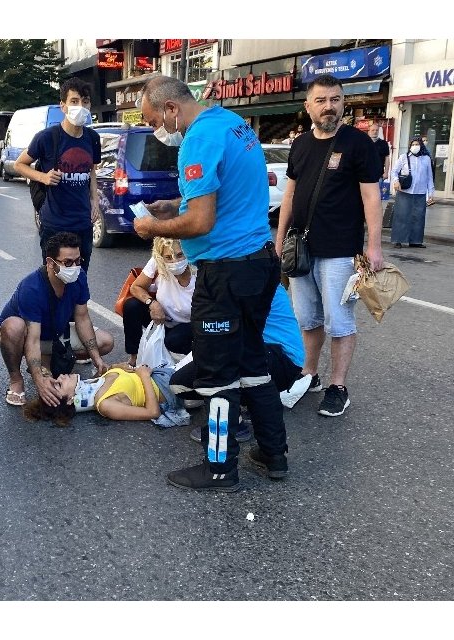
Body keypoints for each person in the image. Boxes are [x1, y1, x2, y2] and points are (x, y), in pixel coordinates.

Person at [133, 75, 287, 492]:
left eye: (153, 121)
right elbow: (224, 197)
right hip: (258, 263)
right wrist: (172, 205)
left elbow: (201, 222)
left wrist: (154, 225)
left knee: (218, 373)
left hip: (226, 272)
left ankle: (219, 469)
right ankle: (274, 454)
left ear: (170, 109)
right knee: (252, 361)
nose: (155, 130)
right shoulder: (232, 123)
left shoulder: (197, 141)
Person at [274, 74, 384, 419]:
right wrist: (279, 240)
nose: (328, 106)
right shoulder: (301, 144)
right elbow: (289, 195)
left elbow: (371, 197)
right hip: (302, 248)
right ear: (308, 107)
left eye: (335, 99)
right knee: (307, 319)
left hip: (340, 251)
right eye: (321, 100)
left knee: (340, 322)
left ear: (343, 103)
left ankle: (338, 387)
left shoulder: (358, 144)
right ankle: (310, 375)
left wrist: (375, 247)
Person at [173, 282, 313, 444]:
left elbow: (223, 332)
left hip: (280, 358)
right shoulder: (247, 275)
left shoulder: (248, 282)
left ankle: (233, 425)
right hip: (268, 355)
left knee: (214, 363)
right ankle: (253, 409)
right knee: (179, 383)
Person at [0, 232, 114, 408]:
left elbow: (82, 318)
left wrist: (97, 359)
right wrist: (39, 382)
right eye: (67, 262)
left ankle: (48, 360)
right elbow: (33, 339)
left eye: (78, 260)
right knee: (14, 326)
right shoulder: (32, 287)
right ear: (51, 263)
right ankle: (16, 380)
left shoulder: (79, 276)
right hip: (22, 337)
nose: (74, 267)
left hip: (54, 334)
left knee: (106, 342)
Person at [14, 78, 102, 270]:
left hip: (83, 223)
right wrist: (43, 177)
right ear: (63, 106)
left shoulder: (93, 138)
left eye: (85, 101)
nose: (80, 106)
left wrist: (94, 199)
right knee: (53, 280)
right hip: (54, 223)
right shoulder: (47, 137)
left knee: (79, 280)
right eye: (74, 101)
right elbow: (19, 165)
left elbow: (92, 170)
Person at [123, 237, 195, 365]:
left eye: (180, 255)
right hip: (163, 319)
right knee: (132, 306)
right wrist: (152, 303)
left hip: (192, 324)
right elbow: (135, 287)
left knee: (174, 341)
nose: (175, 262)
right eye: (168, 258)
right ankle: (134, 358)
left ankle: (195, 360)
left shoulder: (199, 268)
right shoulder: (157, 262)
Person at [23, 363, 164, 427]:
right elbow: (152, 412)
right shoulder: (105, 405)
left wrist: (116, 367)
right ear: (70, 400)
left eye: (56, 380)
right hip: (168, 388)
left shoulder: (96, 382)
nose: (60, 377)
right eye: (59, 384)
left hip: (162, 370)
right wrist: (144, 376)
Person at [389, 135, 435, 248]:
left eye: (417, 144)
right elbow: (394, 171)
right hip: (405, 191)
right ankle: (398, 239)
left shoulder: (426, 158)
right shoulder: (404, 157)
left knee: (418, 216)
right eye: (413, 144)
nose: (415, 146)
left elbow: (429, 176)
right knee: (401, 215)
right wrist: (396, 181)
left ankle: (415, 241)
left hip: (420, 192)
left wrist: (431, 193)